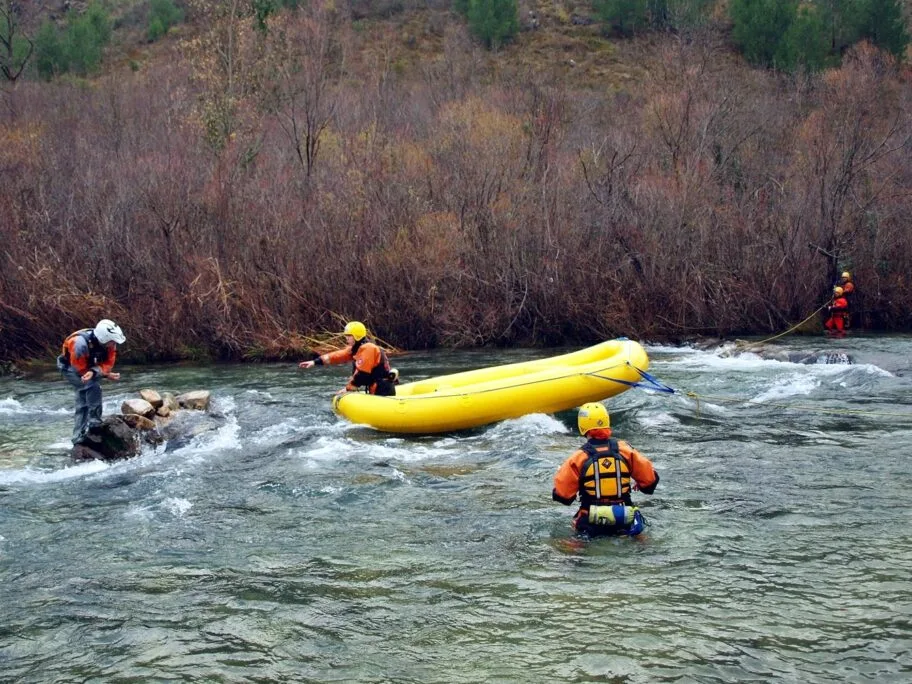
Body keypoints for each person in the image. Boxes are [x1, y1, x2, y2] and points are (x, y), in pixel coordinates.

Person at [552, 402, 659, 537]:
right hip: (624, 517)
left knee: (572, 548)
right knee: (640, 538)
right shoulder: (626, 450)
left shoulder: (578, 457)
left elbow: (563, 496)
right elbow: (650, 482)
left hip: (591, 520)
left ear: (582, 426)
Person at [57, 319, 126, 444]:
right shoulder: (79, 344)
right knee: (92, 388)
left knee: (84, 398)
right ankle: (94, 424)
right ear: (104, 338)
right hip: (71, 368)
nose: (114, 344)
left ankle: (78, 436)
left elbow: (108, 363)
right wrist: (100, 374)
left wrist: (102, 373)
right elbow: (80, 369)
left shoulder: (109, 345)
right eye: (112, 342)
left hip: (88, 367)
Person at [299, 321, 397, 396]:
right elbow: (336, 356)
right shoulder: (356, 349)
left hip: (382, 389)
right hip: (375, 388)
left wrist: (348, 389)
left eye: (349, 336)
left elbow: (362, 374)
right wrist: (315, 362)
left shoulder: (368, 348)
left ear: (357, 336)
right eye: (346, 336)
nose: (346, 338)